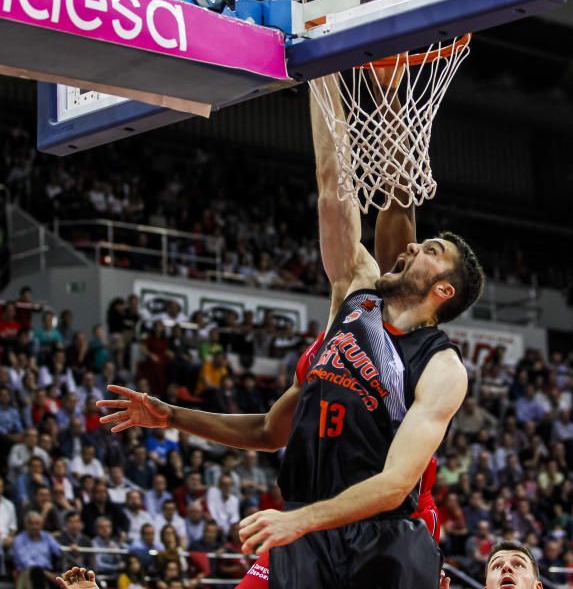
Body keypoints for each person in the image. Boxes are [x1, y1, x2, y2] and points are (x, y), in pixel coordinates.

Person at [100, 74, 484, 589]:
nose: (413, 249)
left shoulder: (440, 365)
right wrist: (325, 69)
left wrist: (296, 521)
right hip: (304, 529)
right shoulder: (355, 295)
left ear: (443, 292)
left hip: (383, 534)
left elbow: (394, 485)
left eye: (430, 252)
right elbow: (333, 186)